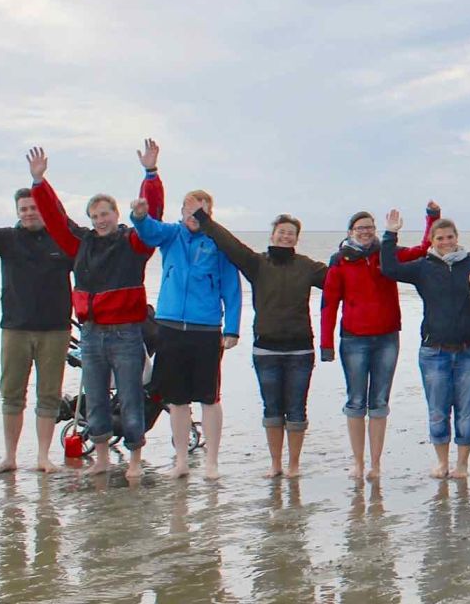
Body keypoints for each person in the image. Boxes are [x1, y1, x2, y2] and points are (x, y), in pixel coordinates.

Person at [25, 143, 162, 480]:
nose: (101, 220)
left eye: (106, 214)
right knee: (97, 399)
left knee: (131, 398)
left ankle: (133, 461)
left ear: (117, 216)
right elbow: (56, 219)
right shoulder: (80, 244)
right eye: (96, 216)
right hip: (91, 334)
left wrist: (151, 175)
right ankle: (101, 459)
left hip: (127, 334)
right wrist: (39, 183)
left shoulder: (134, 243)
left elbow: (150, 215)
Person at [378, 203, 470, 479]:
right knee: (437, 411)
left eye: (450, 237)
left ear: (457, 237)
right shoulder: (422, 267)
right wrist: (390, 234)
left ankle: (463, 464)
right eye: (440, 238)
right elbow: (390, 268)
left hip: (469, 350)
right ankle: (442, 462)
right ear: (432, 241)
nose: (445, 242)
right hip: (434, 351)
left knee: (467, 412)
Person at [193, 210, 328, 479]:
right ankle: (276, 463)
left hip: (300, 349)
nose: (286, 236)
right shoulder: (257, 264)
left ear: (296, 239)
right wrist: (205, 220)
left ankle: (294, 465)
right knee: (272, 409)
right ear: (273, 234)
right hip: (266, 349)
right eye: (282, 231)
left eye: (291, 233)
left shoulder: (307, 266)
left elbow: (340, 280)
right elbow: (230, 245)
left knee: (297, 409)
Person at [130, 178, 242, 481]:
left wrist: (232, 328)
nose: (195, 217)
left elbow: (232, 289)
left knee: (209, 397)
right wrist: (139, 216)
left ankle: (212, 463)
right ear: (181, 212)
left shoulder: (218, 243)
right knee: (176, 399)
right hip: (169, 327)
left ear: (210, 215)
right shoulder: (172, 235)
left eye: (201, 212)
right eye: (190, 211)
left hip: (205, 329)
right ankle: (180, 461)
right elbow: (149, 231)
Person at [320, 204, 439, 479]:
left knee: (379, 402)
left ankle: (375, 464)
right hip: (353, 339)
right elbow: (329, 303)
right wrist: (326, 343)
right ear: (350, 232)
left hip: (386, 337)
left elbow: (423, 249)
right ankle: (358, 463)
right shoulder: (340, 260)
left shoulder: (387, 254)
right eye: (360, 228)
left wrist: (432, 217)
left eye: (370, 228)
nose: (365, 232)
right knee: (356, 401)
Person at [0, 184, 74, 475]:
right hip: (15, 329)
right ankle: (10, 457)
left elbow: (91, 263)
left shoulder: (61, 238)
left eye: (34, 208)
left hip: (55, 330)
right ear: (18, 212)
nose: (29, 213)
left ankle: (43, 457)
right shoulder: (7, 239)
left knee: (49, 394)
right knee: (12, 392)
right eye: (24, 209)